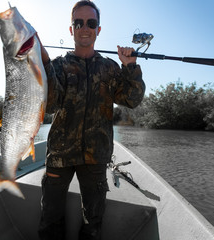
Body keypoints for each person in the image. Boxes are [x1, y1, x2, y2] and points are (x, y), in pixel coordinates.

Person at [37, 1, 146, 239]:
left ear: (98, 29)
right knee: (49, 220)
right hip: (59, 155)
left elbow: (132, 99)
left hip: (96, 158)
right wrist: (41, 63)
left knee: (93, 223)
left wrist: (131, 67)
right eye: (78, 22)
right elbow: (51, 106)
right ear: (71, 29)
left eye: (91, 23)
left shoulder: (110, 68)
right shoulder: (57, 66)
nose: (84, 27)